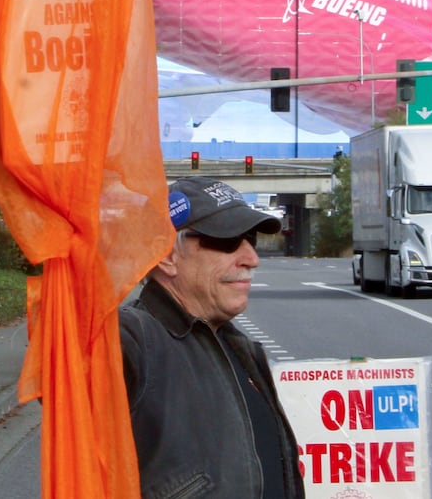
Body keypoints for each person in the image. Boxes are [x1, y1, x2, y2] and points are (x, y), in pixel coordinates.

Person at [120, 176, 306, 498]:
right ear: (166, 254)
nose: (252, 258)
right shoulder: (133, 338)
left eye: (250, 238)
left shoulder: (241, 350)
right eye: (228, 239)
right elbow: (75, 367)